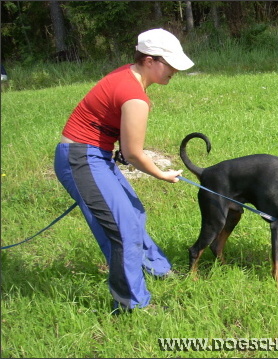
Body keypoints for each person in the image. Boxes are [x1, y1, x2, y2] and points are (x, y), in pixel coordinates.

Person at [54, 28, 194, 313]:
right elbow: (132, 153)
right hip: (81, 159)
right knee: (124, 229)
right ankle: (132, 304)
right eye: (170, 64)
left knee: (134, 213)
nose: (175, 71)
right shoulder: (134, 96)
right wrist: (162, 174)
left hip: (95, 155)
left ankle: (158, 269)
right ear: (149, 60)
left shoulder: (130, 77)